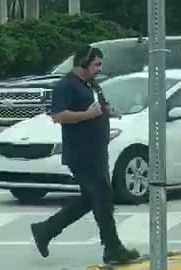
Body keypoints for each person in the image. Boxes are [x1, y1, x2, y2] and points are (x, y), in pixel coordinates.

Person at [30, 45, 140, 264]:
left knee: (93, 199)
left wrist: (108, 112)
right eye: (96, 64)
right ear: (83, 63)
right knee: (103, 199)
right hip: (81, 153)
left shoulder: (91, 84)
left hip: (97, 150)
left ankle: (46, 230)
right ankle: (113, 248)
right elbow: (59, 115)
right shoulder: (66, 85)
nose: (99, 69)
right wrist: (87, 115)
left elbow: (100, 105)